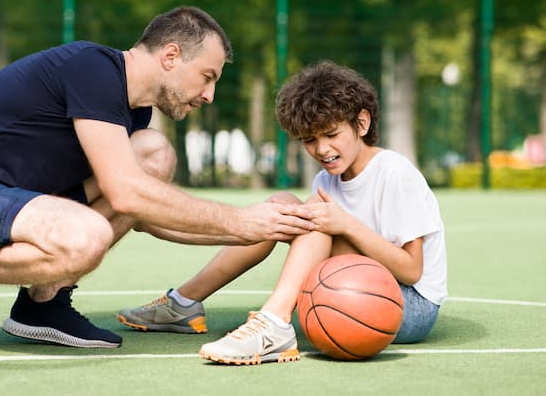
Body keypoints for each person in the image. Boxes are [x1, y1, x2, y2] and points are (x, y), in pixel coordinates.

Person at [0, 6, 317, 356]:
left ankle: (42, 303)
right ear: (171, 56)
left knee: (153, 153)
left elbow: (141, 211)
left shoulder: (132, 111)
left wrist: (258, 231)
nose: (209, 95)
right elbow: (125, 192)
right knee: (87, 235)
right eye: (207, 76)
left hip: (14, 201)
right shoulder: (93, 69)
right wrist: (239, 220)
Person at [118, 60, 447, 365]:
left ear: (361, 123)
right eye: (309, 140)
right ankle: (184, 303)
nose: (322, 149)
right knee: (281, 207)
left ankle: (274, 323)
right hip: (357, 286)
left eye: (332, 135)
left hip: (409, 305)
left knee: (313, 221)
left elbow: (411, 270)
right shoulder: (326, 180)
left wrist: (345, 225)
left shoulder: (393, 172)